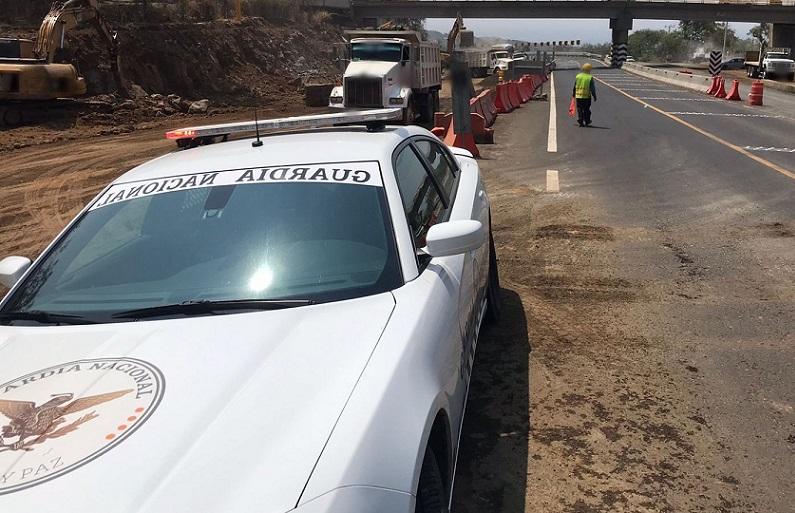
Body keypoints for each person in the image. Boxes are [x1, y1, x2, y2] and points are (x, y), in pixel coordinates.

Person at [572, 63, 597, 127]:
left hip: (578, 96)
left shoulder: (578, 76)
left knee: (579, 108)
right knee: (586, 109)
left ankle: (580, 119)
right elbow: (592, 88)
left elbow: (575, 86)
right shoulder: (590, 77)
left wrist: (573, 93)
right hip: (586, 96)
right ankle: (587, 121)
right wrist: (594, 96)